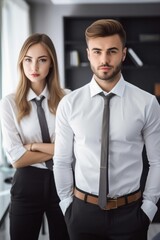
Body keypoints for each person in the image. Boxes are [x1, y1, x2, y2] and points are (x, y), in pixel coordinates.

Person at [53, 19, 160, 240]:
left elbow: (158, 161)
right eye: (97, 51)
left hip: (131, 214)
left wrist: (148, 208)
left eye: (112, 51)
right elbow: (62, 161)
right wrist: (67, 206)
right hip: (82, 214)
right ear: (88, 54)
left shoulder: (147, 103)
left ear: (123, 53)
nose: (104, 59)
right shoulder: (69, 104)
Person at [0, 33, 70, 240]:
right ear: (21, 63)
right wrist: (57, 149)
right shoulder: (9, 103)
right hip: (27, 183)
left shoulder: (67, 98)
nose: (34, 68)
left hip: (63, 180)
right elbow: (16, 159)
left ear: (51, 64)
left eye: (42, 60)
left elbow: (73, 148)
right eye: (28, 60)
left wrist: (32, 146)